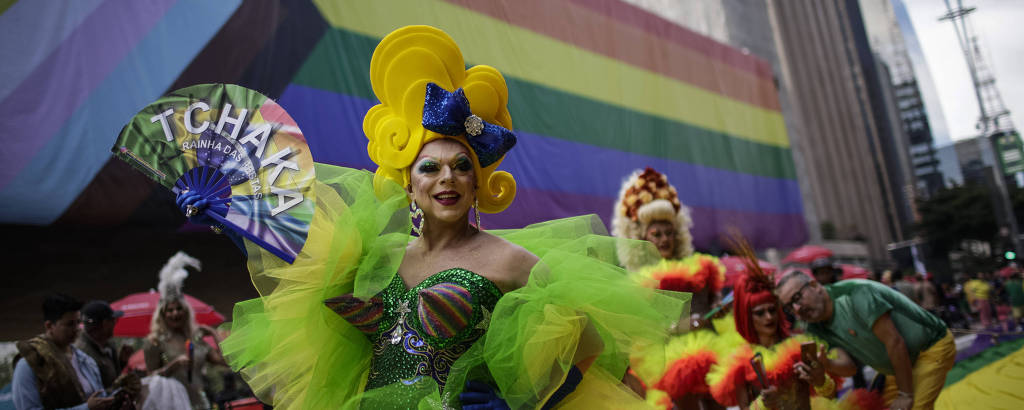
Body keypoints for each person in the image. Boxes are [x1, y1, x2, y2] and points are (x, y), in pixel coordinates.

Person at [182, 25, 684, 408]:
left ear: (476, 184)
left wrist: (516, 405)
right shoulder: (379, 258)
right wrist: (227, 217)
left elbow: (588, 351)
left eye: (462, 167)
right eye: (431, 168)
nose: (447, 178)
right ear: (410, 184)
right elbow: (296, 273)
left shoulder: (513, 263)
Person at [611, 167, 730, 409]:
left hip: (713, 352)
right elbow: (641, 332)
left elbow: (713, 301)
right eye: (657, 234)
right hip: (665, 365)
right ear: (642, 238)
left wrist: (718, 308)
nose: (664, 239)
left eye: (669, 233)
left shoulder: (700, 268)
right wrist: (684, 325)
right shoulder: (636, 282)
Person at [775, 272, 955, 410]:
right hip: (898, 367)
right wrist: (827, 363)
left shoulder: (856, 293)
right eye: (789, 307)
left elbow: (894, 342)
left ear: (814, 286)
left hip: (931, 348)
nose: (797, 309)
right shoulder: (815, 326)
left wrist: (905, 394)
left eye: (797, 298)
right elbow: (850, 367)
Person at [143, 251, 227, 409]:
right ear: (163, 314)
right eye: (170, 310)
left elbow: (226, 362)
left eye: (179, 308)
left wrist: (214, 334)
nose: (175, 313)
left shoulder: (195, 338)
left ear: (186, 312)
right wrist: (172, 366)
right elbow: (149, 379)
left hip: (201, 404)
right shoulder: (155, 342)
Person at [12, 293, 114, 410]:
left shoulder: (85, 361)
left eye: (78, 322)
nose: (76, 329)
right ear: (49, 326)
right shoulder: (30, 365)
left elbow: (100, 398)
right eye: (70, 324)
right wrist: (86, 408)